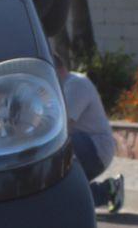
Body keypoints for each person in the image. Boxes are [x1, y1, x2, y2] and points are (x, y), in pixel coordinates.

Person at [53, 43, 123, 211]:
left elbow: (62, 127)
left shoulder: (76, 84)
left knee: (55, 149)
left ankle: (107, 190)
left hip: (95, 147)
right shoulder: (60, 87)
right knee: (58, 196)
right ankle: (108, 191)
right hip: (84, 147)